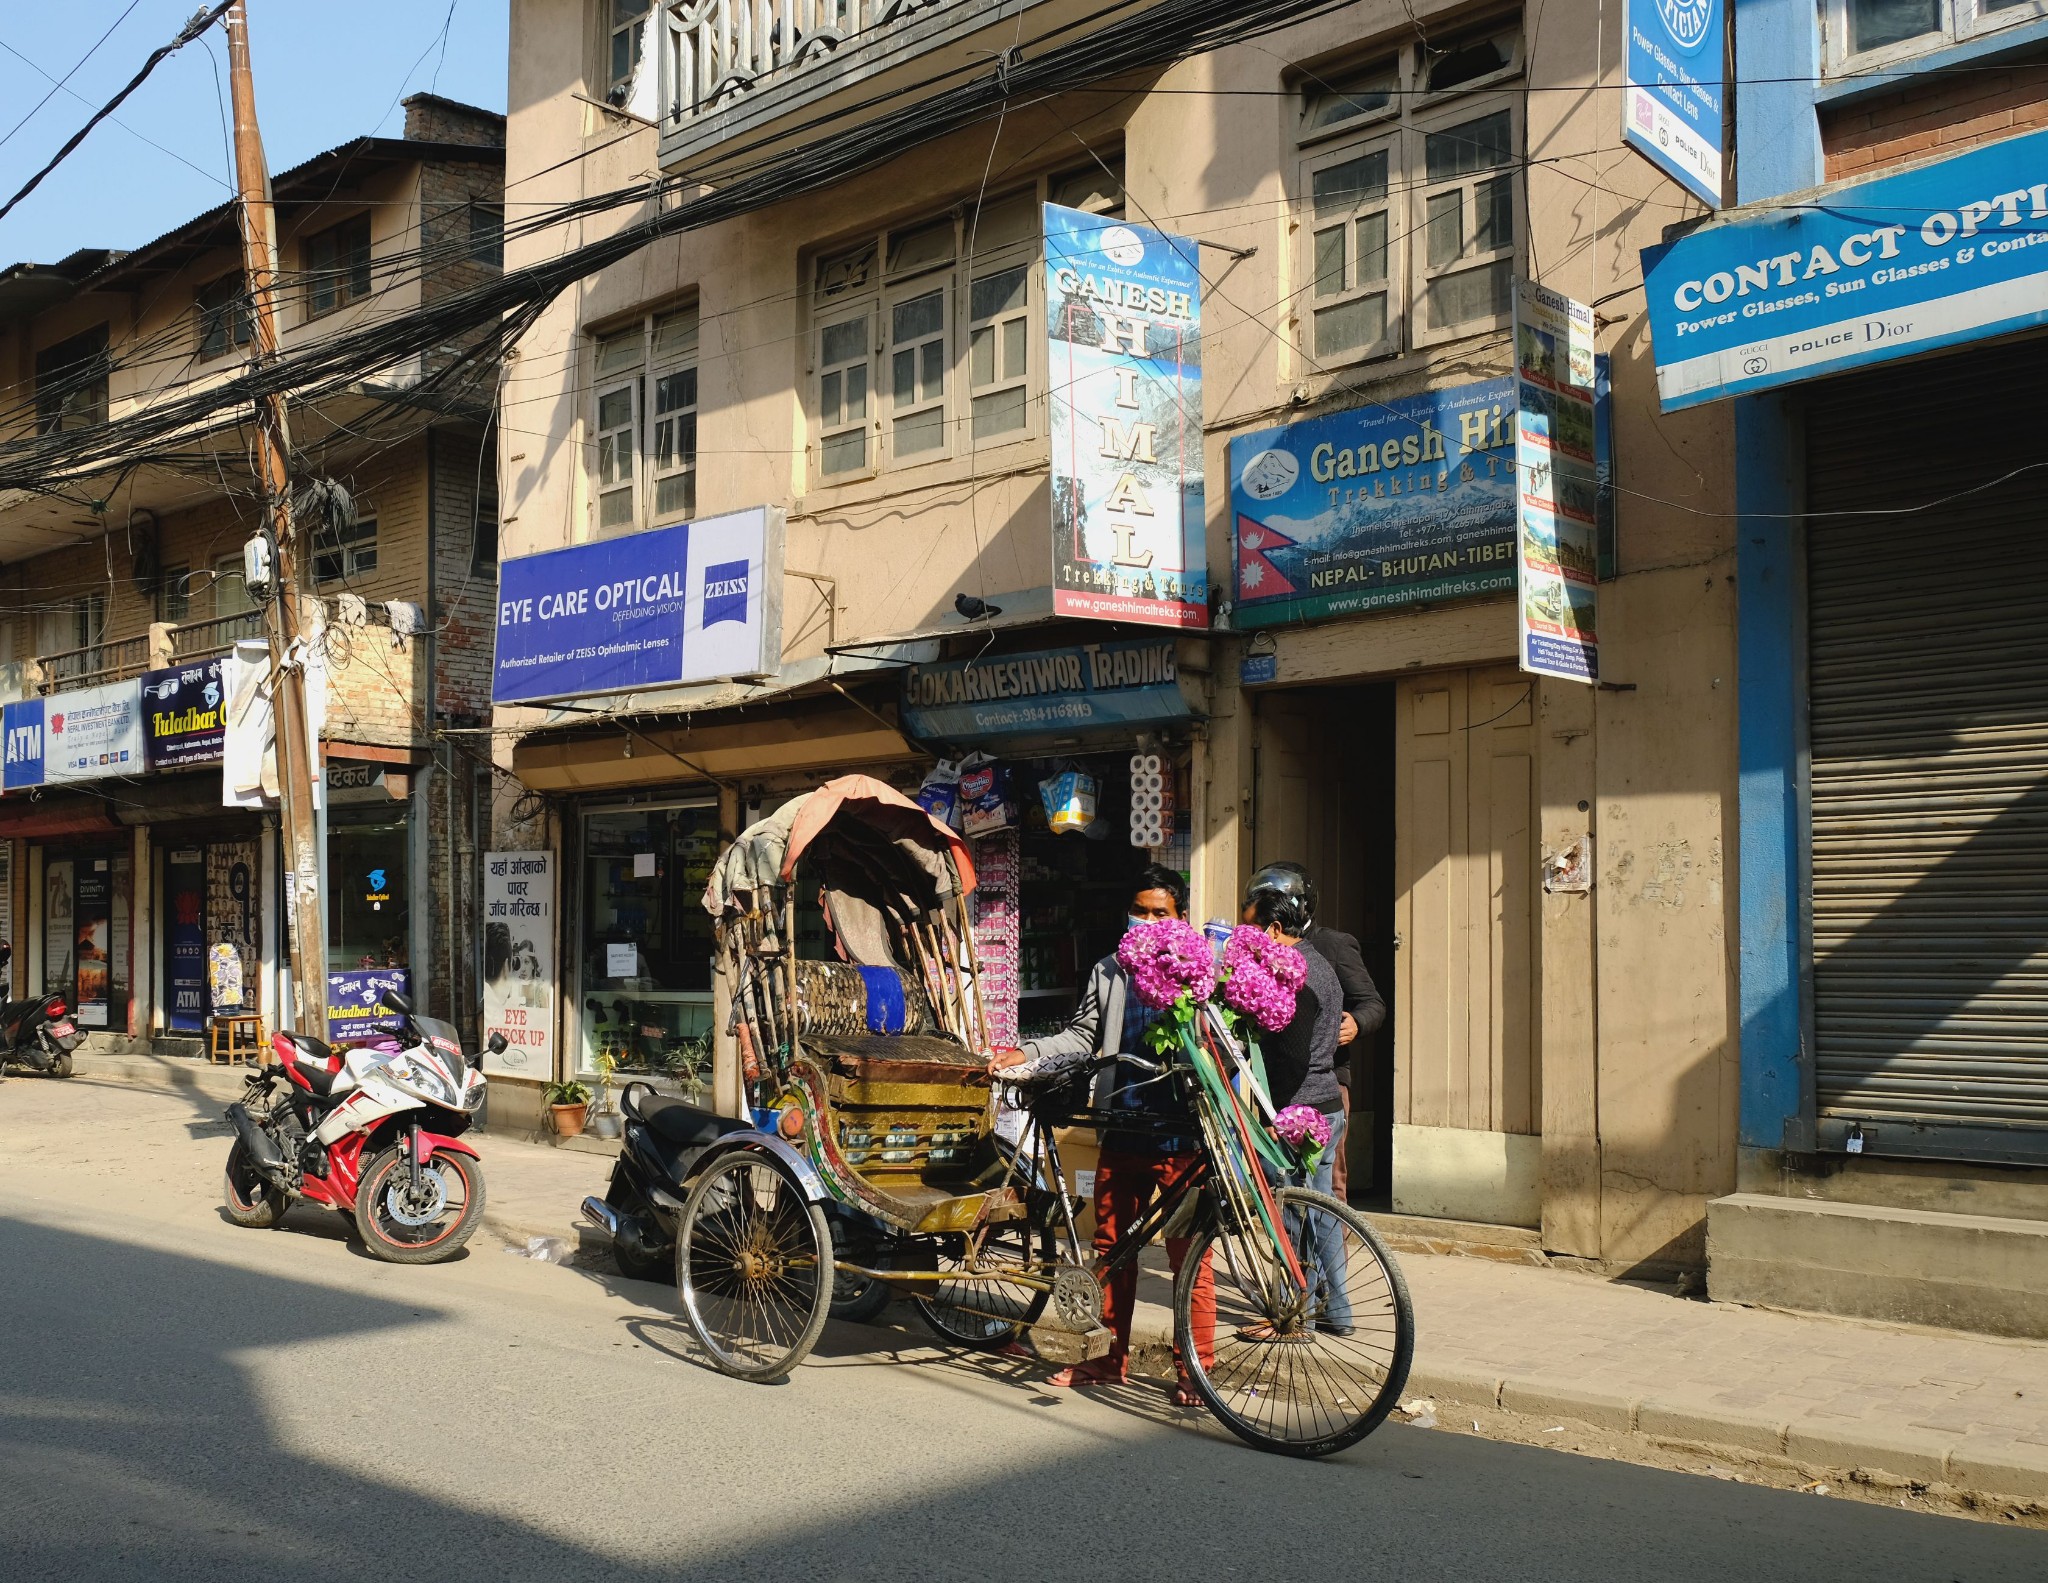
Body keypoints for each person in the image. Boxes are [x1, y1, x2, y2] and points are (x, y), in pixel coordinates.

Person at [989, 863, 1215, 1404]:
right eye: (1140, 911)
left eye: (1160, 913)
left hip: (1181, 1134)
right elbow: (1083, 1034)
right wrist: (1029, 1052)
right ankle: (1106, 1362)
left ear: (1181, 917)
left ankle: (1196, 1372)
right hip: (1121, 1124)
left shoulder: (1201, 970)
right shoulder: (1110, 969)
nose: (1148, 921)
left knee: (1191, 1256)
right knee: (1112, 1249)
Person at [1242, 872, 1354, 1335]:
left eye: (1249, 924)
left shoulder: (1294, 973)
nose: (1243, 933)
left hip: (1301, 1112)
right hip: (1326, 1106)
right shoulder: (1314, 962)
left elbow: (1291, 1055)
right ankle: (1339, 1313)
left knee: (1293, 1213)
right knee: (1322, 1210)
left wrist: (1275, 1118)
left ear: (1271, 928)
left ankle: (1295, 1314)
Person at [1242, 862, 1383, 1201]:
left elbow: (1372, 1003)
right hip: (1282, 1084)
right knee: (1289, 1189)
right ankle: (1302, 1255)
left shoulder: (1332, 947)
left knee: (1327, 1186)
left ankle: (1333, 1252)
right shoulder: (1264, 950)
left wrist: (1356, 1022)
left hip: (1324, 1079)